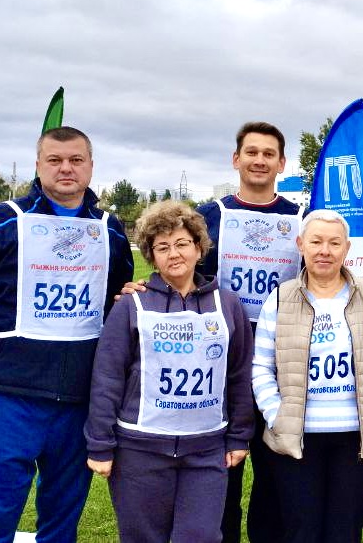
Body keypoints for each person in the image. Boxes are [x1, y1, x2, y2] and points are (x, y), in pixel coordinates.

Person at [194, 121, 363, 542]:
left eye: (269, 154)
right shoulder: (211, 215)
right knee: (221, 480)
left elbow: (329, 268)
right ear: (236, 159)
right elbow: (180, 271)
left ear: (281, 163)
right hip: (220, 365)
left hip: (286, 368)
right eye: (252, 152)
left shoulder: (300, 218)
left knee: (277, 487)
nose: (260, 160)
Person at [0, 126, 134, 542]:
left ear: (91, 167)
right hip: (9, 396)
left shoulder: (109, 228)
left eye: (76, 160)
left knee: (61, 524)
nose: (67, 168)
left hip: (80, 401)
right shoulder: (5, 219)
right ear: (38, 165)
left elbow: (116, 305)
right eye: (55, 160)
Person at [85, 200, 254, 543]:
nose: (173, 254)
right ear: (151, 255)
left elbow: (238, 375)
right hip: (140, 451)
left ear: (198, 247)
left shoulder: (227, 303)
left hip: (205, 451)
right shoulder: (131, 305)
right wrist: (100, 444)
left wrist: (239, 435)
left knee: (200, 535)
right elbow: (107, 378)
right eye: (162, 247)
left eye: (181, 244)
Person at [252, 209, 363, 543]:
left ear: (346, 249)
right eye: (316, 241)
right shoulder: (279, 299)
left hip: (355, 436)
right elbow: (261, 367)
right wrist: (277, 416)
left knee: (344, 530)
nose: (324, 250)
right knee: (301, 530)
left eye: (334, 243)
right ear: (301, 244)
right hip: (297, 435)